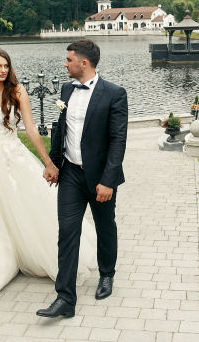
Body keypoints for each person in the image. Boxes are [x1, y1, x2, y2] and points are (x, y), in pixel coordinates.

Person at [0, 47, 97, 298]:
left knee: (23, 209)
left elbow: (31, 129)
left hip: (11, 158)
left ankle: (32, 255)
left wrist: (47, 162)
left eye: (6, 65)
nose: (2, 70)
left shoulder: (18, 92)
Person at [37, 39, 128, 319]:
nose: (65, 64)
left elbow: (118, 140)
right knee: (67, 232)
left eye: (68, 60)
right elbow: (59, 128)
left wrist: (108, 181)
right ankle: (65, 298)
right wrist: (53, 163)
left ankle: (107, 274)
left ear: (83, 63)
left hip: (100, 176)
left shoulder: (114, 93)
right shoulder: (66, 89)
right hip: (71, 175)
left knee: (104, 226)